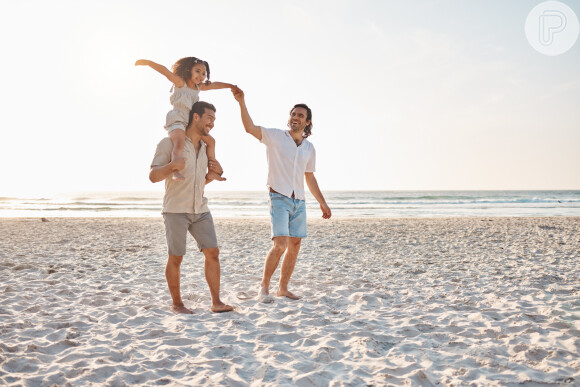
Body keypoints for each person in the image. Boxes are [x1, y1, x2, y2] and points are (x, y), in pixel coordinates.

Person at [232, 88, 332, 302]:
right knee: (280, 244)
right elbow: (249, 128)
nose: (295, 117)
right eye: (293, 114)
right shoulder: (275, 136)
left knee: (295, 245)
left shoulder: (309, 148)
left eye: (300, 115)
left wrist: (322, 203)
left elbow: (310, 178)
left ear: (307, 122)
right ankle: (264, 288)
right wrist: (241, 102)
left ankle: (283, 288)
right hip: (279, 197)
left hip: (300, 202)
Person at [149, 101, 233, 314]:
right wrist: (171, 167)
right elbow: (152, 176)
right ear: (195, 117)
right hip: (175, 209)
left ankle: (216, 302)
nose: (212, 123)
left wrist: (214, 176)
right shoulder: (169, 144)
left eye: (214, 119)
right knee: (176, 257)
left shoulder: (205, 148)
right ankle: (177, 304)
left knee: (213, 252)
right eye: (209, 118)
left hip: (200, 209)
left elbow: (198, 182)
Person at [136, 57, 237, 181]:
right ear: (189, 70)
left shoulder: (198, 87)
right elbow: (165, 71)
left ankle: (211, 171)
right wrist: (148, 63)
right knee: (179, 142)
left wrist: (231, 86)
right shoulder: (180, 83)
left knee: (211, 142)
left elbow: (215, 85)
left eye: (204, 73)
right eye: (197, 71)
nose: (201, 76)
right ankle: (175, 170)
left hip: (190, 123)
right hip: (177, 119)